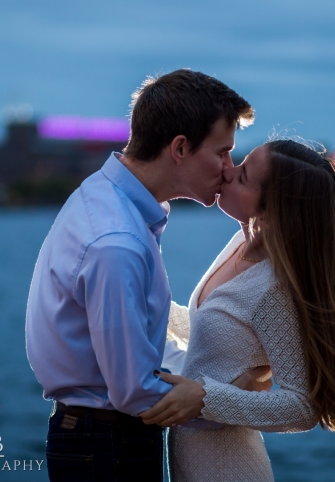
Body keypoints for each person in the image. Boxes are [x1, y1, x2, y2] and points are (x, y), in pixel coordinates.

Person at [25, 68, 254, 481]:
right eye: (222, 152)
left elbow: (141, 347)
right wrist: (223, 399)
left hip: (99, 438)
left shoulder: (110, 203)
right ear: (180, 148)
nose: (227, 168)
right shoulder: (117, 241)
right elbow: (136, 391)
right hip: (108, 446)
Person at [141, 139, 335, 481]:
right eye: (240, 163)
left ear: (269, 212)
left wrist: (207, 398)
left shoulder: (274, 289)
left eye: (242, 177)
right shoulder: (241, 242)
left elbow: (304, 407)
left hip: (228, 469)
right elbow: (215, 335)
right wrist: (142, 306)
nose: (228, 170)